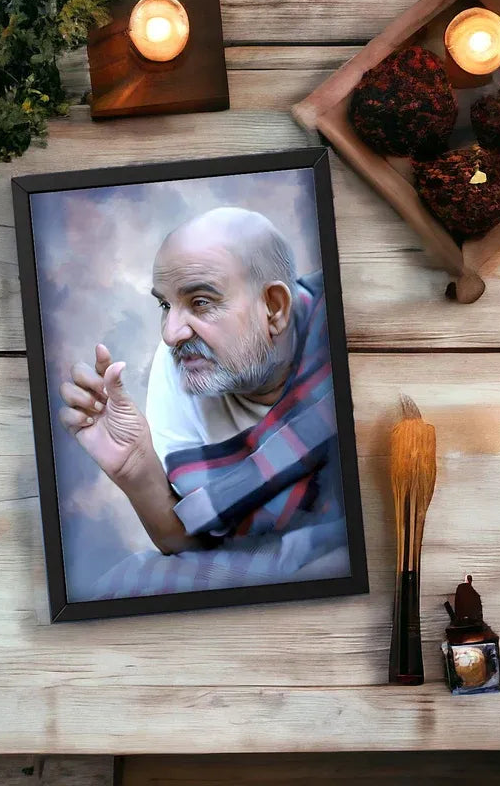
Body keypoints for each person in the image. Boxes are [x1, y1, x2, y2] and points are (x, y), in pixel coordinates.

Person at [59, 207, 345, 576]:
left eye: (200, 302)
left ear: (274, 308)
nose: (170, 333)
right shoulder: (178, 365)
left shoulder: (339, 322)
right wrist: (136, 470)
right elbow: (188, 545)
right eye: (165, 304)